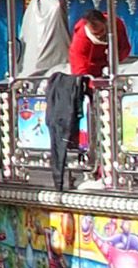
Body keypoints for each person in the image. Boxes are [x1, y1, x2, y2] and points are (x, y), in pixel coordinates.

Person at [50, 12, 127, 190]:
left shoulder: (116, 24)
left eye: (101, 32)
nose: (99, 35)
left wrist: (111, 65)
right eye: (96, 33)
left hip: (110, 77)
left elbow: (123, 48)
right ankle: (97, 169)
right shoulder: (81, 41)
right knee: (97, 128)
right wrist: (94, 86)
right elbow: (80, 72)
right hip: (92, 85)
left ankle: (119, 165)